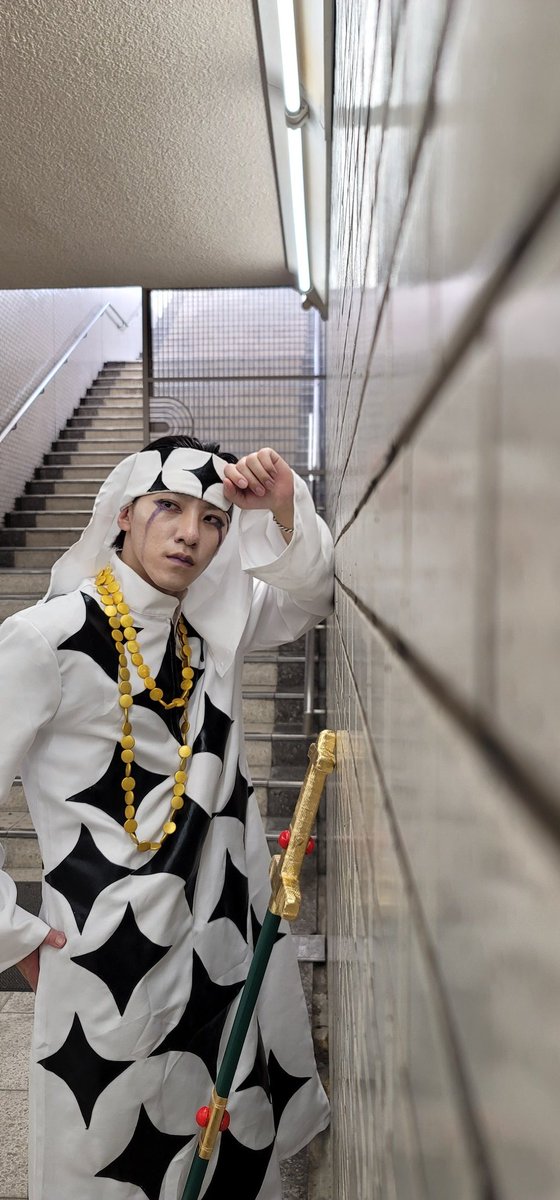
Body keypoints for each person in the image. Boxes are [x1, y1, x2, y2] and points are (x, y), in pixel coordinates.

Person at [0, 435, 333, 1200]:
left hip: (216, 949)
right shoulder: (44, 636)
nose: (190, 533)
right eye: (168, 507)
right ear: (123, 514)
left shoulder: (209, 628)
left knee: (220, 1141)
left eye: (212, 519)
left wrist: (284, 507)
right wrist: (16, 935)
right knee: (102, 1156)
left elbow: (307, 596)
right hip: (104, 966)